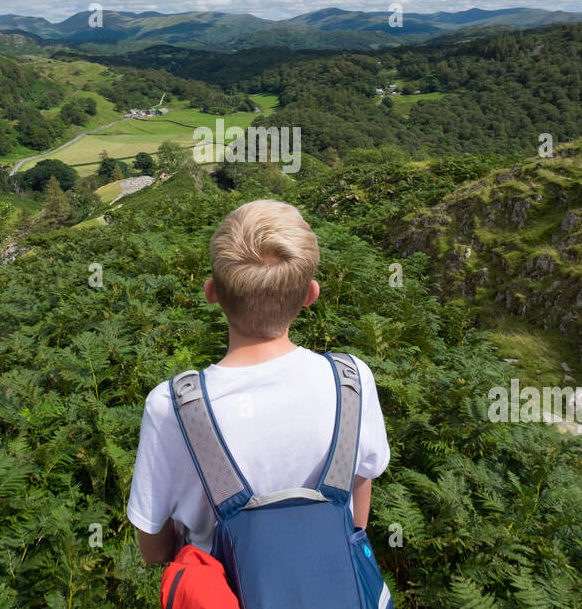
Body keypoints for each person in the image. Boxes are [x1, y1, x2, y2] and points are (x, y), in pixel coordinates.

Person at [127, 198, 390, 565]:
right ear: (310, 295)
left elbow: (153, 553)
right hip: (331, 603)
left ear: (211, 293)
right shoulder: (351, 381)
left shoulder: (171, 407)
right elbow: (355, 521)